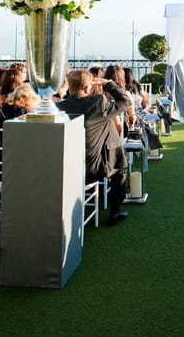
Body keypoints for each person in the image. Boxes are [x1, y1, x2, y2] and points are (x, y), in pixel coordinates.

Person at [56, 69, 131, 226]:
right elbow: (126, 101)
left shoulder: (59, 107)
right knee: (120, 167)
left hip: (66, 168)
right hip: (93, 170)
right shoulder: (98, 102)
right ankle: (115, 212)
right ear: (86, 88)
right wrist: (108, 84)